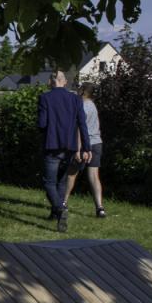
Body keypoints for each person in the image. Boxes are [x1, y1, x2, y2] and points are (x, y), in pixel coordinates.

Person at [38, 70, 91, 233]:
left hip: (52, 144)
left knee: (48, 182)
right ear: (64, 82)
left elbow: (42, 124)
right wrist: (86, 148)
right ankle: (56, 213)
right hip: (70, 146)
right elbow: (83, 124)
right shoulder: (75, 99)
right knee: (61, 182)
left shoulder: (45, 98)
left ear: (51, 81)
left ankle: (59, 209)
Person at [64, 82, 107, 218]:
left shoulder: (82, 106)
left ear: (83, 91)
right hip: (97, 143)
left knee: (72, 173)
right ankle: (100, 208)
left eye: (79, 88)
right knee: (94, 176)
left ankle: (63, 202)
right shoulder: (93, 106)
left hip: (84, 144)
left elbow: (78, 129)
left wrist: (77, 150)